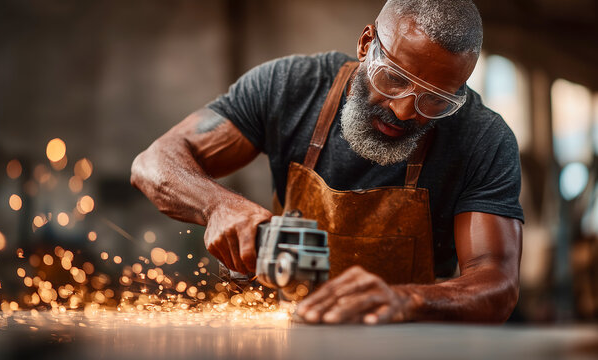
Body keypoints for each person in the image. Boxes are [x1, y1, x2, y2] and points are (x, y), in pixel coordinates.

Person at [130, 0, 523, 324]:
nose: (405, 111)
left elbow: (497, 286)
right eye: (394, 78)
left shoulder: (483, 140)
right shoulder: (290, 87)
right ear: (367, 43)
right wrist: (216, 204)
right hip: (285, 332)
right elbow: (152, 164)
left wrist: (409, 300)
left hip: (405, 343)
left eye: (436, 100)